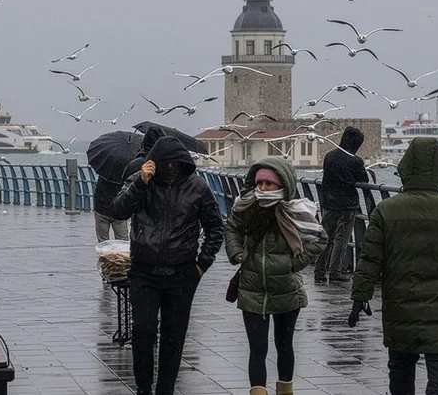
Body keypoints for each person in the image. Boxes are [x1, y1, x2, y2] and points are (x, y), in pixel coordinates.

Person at [349, 137, 438, 395]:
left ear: (405, 169)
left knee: (400, 366)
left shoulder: (386, 211)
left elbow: (370, 260)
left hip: (401, 305)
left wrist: (360, 296)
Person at [110, 136, 224, 395]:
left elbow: (215, 227)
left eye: (175, 162)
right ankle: (143, 388)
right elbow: (117, 211)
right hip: (144, 272)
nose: (170, 167)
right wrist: (140, 183)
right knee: (143, 332)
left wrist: (201, 265)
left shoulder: (197, 187)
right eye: (166, 162)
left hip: (182, 273)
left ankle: (165, 390)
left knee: (173, 338)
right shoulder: (141, 181)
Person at [224, 158, 327, 395]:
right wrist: (236, 253)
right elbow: (232, 228)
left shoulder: (296, 212)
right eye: (259, 182)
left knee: (284, 345)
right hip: (251, 288)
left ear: (282, 183)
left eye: (268, 184)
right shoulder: (247, 206)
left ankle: (285, 390)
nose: (262, 188)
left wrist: (295, 263)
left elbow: (321, 237)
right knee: (257, 350)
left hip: (286, 288)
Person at [314, 126, 369, 283]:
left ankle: (319, 270)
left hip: (328, 203)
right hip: (347, 205)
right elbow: (364, 180)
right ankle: (335, 271)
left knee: (326, 238)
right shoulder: (355, 161)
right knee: (341, 239)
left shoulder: (330, 157)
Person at [93, 174, 128, 242]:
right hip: (119, 210)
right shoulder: (124, 174)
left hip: (101, 207)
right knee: (122, 241)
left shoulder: (104, 171)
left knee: (102, 242)